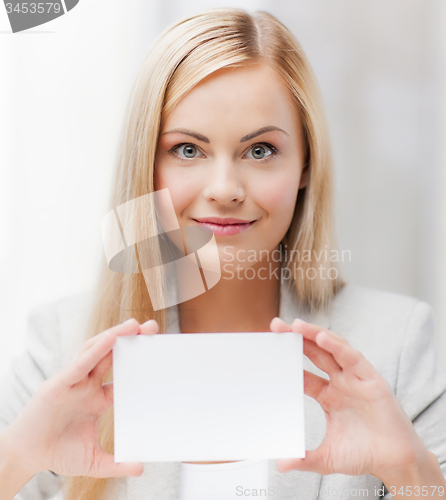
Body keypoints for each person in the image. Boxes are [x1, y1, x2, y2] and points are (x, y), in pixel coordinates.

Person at [1, 7, 446, 500]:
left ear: (305, 166)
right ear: (145, 166)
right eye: (188, 150)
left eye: (260, 151)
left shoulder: (397, 345)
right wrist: (13, 463)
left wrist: (410, 475)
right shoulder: (61, 346)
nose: (225, 189)